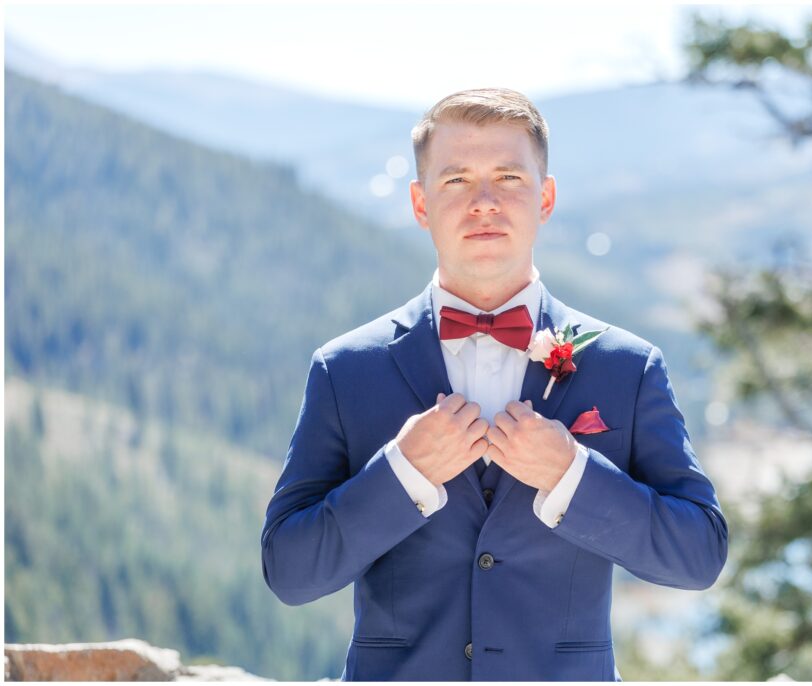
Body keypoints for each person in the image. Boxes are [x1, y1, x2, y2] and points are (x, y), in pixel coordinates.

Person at [260, 87, 728, 681]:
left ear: (546, 197)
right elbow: (290, 571)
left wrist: (571, 475)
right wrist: (404, 472)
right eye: (456, 181)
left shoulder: (627, 367)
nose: (484, 202)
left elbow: (699, 556)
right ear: (421, 203)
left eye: (508, 177)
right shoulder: (346, 368)